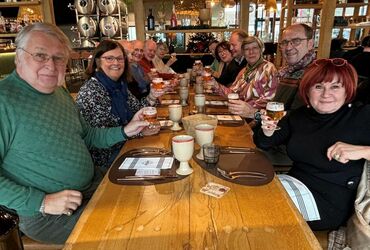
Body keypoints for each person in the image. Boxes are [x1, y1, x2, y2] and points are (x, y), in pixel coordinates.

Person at [0, 23, 149, 244]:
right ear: (19, 57)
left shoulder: (58, 92)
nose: (51, 65)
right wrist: (42, 201)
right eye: (40, 55)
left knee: (147, 195)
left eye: (59, 57)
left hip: (91, 185)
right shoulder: (4, 101)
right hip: (47, 215)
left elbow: (87, 135)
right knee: (132, 230)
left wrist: (126, 131)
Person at [254, 58, 370, 231]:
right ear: (307, 90)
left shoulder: (361, 116)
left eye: (335, 87)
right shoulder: (299, 116)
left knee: (256, 212)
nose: (326, 94)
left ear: (348, 90)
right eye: (318, 86)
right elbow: (263, 142)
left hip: (329, 203)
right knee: (244, 196)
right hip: (293, 184)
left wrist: (364, 150)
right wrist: (268, 130)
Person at [76, 40, 162, 171]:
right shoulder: (92, 91)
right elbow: (99, 140)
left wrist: (152, 96)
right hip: (107, 164)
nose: (116, 63)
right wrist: (139, 132)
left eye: (120, 58)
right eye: (109, 58)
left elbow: (137, 109)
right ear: (98, 61)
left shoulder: (120, 86)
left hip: (127, 150)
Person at [215, 36, 278, 115]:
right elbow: (233, 93)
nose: (251, 52)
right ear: (243, 53)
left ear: (261, 49)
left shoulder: (268, 69)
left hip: (257, 120)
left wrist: (249, 108)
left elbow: (269, 100)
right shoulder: (244, 71)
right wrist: (215, 85)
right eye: (247, 49)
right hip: (240, 115)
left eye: (255, 48)